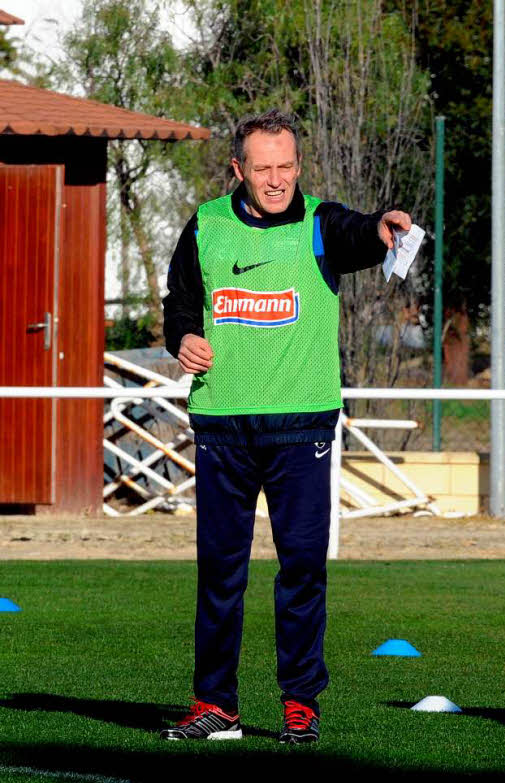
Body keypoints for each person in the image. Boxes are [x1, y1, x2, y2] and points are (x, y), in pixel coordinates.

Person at [160, 109, 411, 744]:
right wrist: (184, 335)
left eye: (287, 167)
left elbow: (361, 232)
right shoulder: (207, 225)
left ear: (299, 167)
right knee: (220, 571)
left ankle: (300, 702)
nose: (277, 180)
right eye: (264, 168)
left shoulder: (323, 224)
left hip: (302, 427)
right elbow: (180, 301)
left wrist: (382, 227)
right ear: (238, 169)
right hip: (222, 422)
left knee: (302, 567)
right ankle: (215, 703)